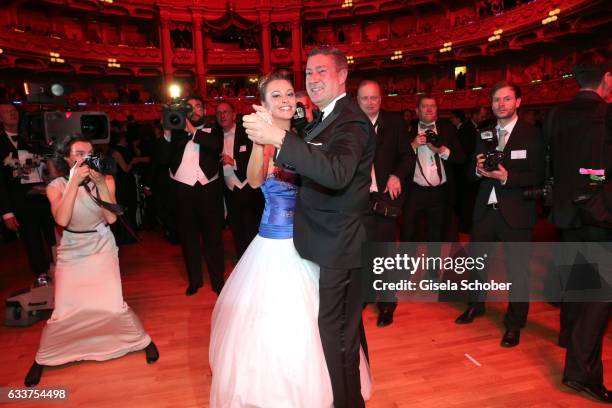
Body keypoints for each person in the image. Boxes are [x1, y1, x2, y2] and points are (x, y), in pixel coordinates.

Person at [209, 70, 371, 407]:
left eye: (288, 94)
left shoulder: (310, 136)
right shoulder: (263, 141)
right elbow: (254, 181)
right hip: (272, 245)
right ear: (264, 105)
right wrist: (260, 141)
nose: (285, 100)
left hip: (311, 241)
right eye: (276, 96)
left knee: (322, 322)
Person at [24, 135, 158, 387]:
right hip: (72, 249)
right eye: (79, 153)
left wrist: (102, 185)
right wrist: (74, 183)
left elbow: (111, 218)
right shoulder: (57, 186)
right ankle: (44, 357)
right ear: (67, 158)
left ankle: (142, 341)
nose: (86, 157)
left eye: (90, 152)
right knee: (65, 307)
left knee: (112, 303)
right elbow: (62, 221)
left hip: (101, 245)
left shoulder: (106, 180)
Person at [455, 81, 545, 348]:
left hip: (516, 213)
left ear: (518, 102)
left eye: (506, 99)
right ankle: (476, 304)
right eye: (496, 100)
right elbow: (470, 174)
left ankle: (514, 323)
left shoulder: (532, 135)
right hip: (485, 210)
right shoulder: (483, 133)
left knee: (518, 272)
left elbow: (539, 175)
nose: (500, 104)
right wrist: (478, 168)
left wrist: (507, 177)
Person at [546, 50, 612, 403]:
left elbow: (552, 164)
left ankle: (568, 337)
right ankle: (581, 372)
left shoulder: (555, 114)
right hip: (598, 215)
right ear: (605, 79)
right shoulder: (605, 113)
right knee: (599, 297)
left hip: (566, 214)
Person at [357, 80, 412, 327]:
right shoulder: (350, 125)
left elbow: (406, 156)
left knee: (385, 256)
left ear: (381, 98)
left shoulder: (395, 123)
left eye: (374, 98)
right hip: (357, 202)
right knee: (361, 253)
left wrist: (396, 174)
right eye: (365, 98)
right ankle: (366, 294)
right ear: (357, 100)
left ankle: (388, 304)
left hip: (383, 201)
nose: (370, 102)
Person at [160, 96, 225, 296]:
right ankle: (194, 281)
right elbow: (162, 159)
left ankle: (217, 281)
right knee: (188, 239)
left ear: (205, 111)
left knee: (213, 239)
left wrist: (193, 131)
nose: (195, 110)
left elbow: (216, 147)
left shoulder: (214, 132)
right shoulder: (176, 136)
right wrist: (168, 132)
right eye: (190, 107)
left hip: (208, 192)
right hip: (183, 193)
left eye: (198, 107)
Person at [0, 103, 56, 284]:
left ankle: (63, 271)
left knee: (55, 236)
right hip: (21, 201)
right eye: (7, 112)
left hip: (46, 196)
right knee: (32, 241)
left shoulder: (35, 137)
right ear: (0, 118)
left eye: (14, 110)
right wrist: (7, 213)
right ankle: (41, 276)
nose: (12, 114)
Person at [216, 102, 264, 260]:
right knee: (236, 230)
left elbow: (256, 158)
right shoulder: (214, 136)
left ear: (233, 115)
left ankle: (255, 262)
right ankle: (242, 261)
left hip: (248, 188)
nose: (222, 115)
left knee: (252, 228)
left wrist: (233, 162)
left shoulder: (246, 134)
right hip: (229, 191)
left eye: (225, 112)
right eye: (219, 113)